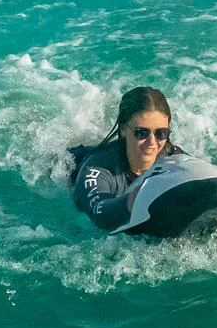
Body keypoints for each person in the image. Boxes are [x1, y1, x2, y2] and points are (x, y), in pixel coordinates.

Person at [71, 86, 187, 231]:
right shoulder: (98, 167)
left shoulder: (174, 158)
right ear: (123, 129)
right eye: (142, 133)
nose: (152, 142)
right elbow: (98, 213)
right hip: (70, 162)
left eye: (161, 133)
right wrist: (130, 202)